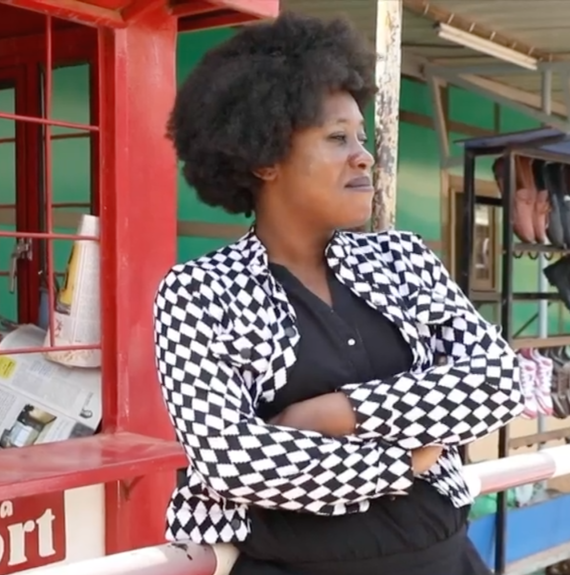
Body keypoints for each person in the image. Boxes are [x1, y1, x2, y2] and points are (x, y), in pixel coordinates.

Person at [152, 12, 524, 575]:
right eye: (336, 138)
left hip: (447, 560)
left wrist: (338, 413)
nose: (364, 155)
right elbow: (234, 462)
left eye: (362, 138)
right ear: (264, 158)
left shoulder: (402, 261)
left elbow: (498, 383)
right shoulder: (200, 294)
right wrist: (404, 461)